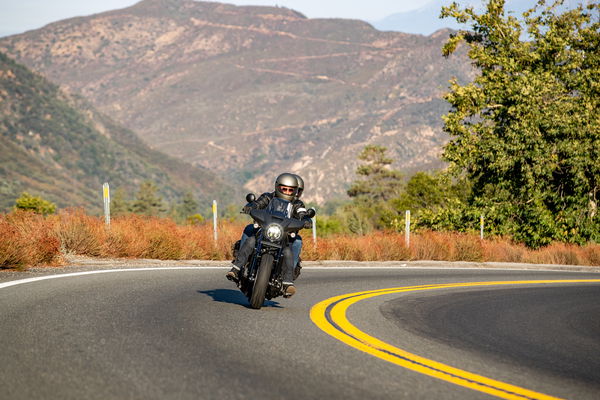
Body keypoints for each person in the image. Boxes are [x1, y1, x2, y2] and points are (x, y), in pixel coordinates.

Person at [226, 173, 312, 297]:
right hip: (265, 230)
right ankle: (237, 267)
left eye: (290, 190)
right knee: (250, 235)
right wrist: (251, 206)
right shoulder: (268, 197)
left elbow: (301, 213)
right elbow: (258, 203)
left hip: (284, 236)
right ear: (277, 187)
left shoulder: (298, 204)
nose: (287, 192)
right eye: (284, 189)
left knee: (295, 244)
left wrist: (306, 220)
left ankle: (288, 281)